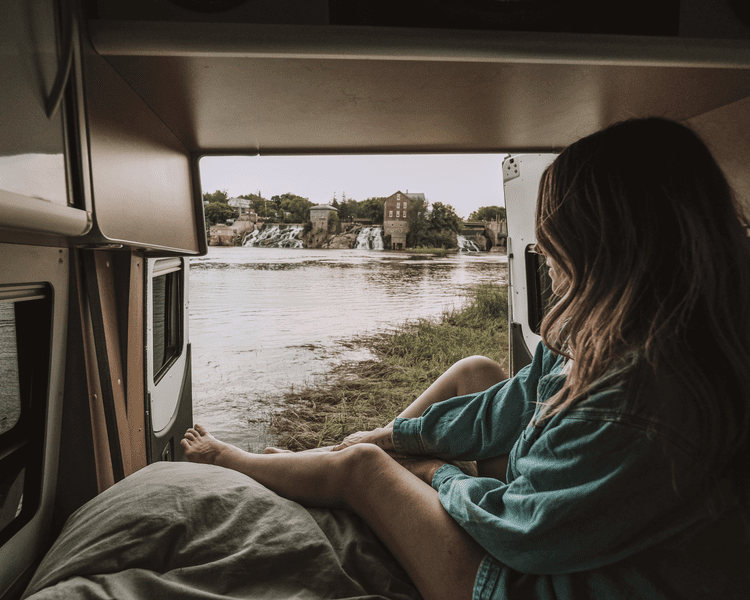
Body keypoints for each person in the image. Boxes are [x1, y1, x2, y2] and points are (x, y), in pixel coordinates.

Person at [182, 117, 750, 600]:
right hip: (556, 536)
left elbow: (519, 530)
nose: (543, 252)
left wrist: (434, 473)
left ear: (605, 246)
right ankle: (332, 455)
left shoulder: (636, 400)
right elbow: (511, 400)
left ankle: (240, 462)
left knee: (364, 473)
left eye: (554, 237)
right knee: (475, 373)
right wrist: (394, 436)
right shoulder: (615, 341)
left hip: (517, 583)